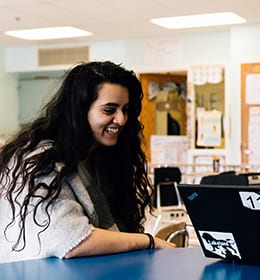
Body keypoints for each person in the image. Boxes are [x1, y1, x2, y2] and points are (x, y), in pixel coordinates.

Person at [0, 61, 174, 263]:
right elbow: (71, 239)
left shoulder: (98, 157)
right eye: (109, 110)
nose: (121, 119)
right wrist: (148, 241)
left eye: (125, 109)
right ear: (79, 112)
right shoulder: (40, 159)